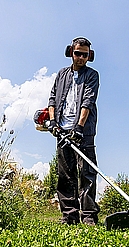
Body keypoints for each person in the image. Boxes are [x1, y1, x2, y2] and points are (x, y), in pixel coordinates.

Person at [47, 37, 100, 226]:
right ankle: (69, 216)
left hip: (83, 131)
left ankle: (88, 217)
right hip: (62, 130)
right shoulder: (61, 74)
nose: (80, 58)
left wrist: (79, 126)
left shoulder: (92, 75)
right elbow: (52, 98)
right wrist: (53, 122)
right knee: (65, 175)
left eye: (85, 55)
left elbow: (88, 101)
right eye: (77, 53)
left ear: (89, 56)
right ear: (71, 52)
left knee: (87, 173)